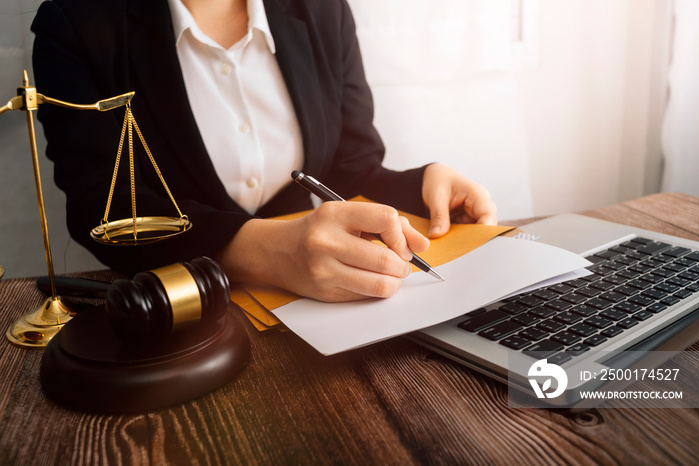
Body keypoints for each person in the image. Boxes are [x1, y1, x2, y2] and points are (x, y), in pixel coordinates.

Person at [31, 0, 497, 302]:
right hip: (179, 317)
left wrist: (419, 185)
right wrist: (268, 251)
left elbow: (350, 168)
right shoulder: (73, 23)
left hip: (325, 311)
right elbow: (103, 209)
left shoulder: (322, 8)